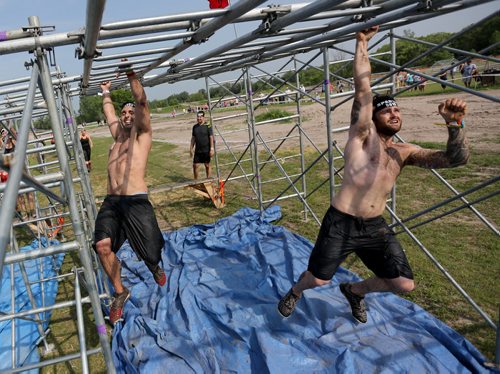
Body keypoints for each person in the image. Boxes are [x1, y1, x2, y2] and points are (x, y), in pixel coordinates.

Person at [277, 26, 470, 324]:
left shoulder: (404, 151)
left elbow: (454, 160)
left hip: (375, 227)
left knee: (404, 283)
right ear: (373, 117)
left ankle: (355, 291)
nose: (394, 114)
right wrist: (362, 42)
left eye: (396, 110)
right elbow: (363, 91)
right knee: (317, 280)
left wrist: (455, 125)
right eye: (386, 111)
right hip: (340, 222)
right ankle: (295, 290)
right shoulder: (361, 137)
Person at [94, 65, 166, 325]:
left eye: (130, 112)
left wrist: (131, 75)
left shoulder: (142, 135)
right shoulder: (117, 136)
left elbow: (142, 100)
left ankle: (153, 264)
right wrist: (105, 93)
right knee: (102, 246)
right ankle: (120, 292)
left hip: (135, 201)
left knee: (151, 252)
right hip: (112, 202)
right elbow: (108, 111)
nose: (126, 115)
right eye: (123, 112)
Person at [190, 110, 214, 180]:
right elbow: (193, 138)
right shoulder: (195, 127)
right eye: (198, 117)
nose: (199, 118)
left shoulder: (208, 125)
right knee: (195, 165)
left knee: (207, 165)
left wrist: (212, 149)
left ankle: (208, 180)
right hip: (198, 150)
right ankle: (196, 181)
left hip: (206, 149)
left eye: (200, 117)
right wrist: (191, 148)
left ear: (203, 117)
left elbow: (211, 137)